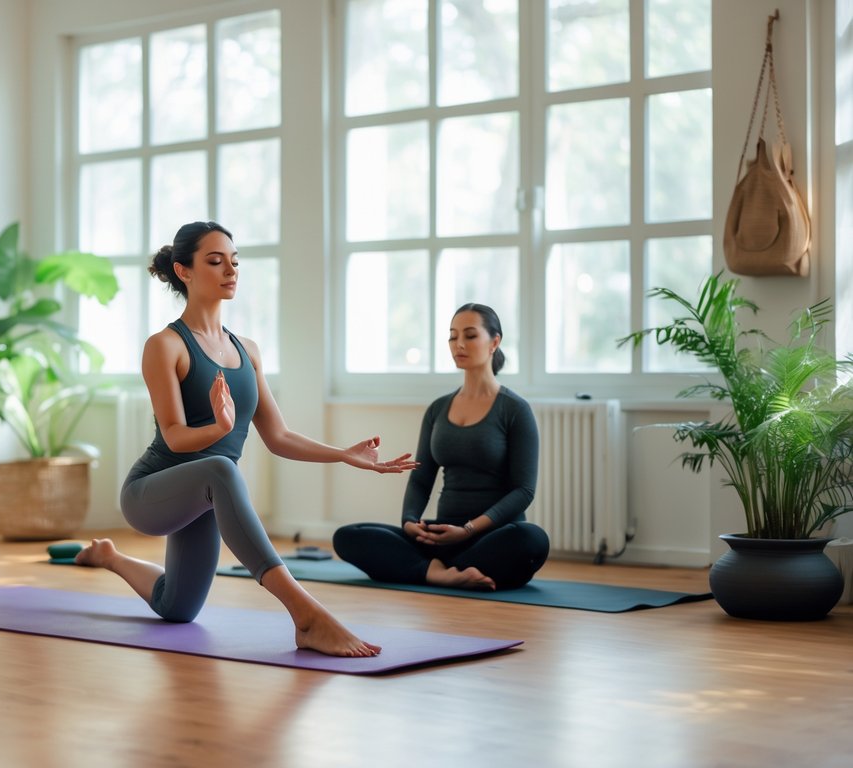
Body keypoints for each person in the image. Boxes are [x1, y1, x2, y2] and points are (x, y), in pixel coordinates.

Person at [74, 221, 417, 658]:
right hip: (152, 492)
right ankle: (306, 615)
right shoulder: (165, 346)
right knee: (222, 466)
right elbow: (177, 438)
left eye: (234, 262)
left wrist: (345, 455)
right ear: (184, 271)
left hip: (204, 497)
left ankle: (110, 557)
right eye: (215, 261)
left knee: (176, 608)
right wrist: (218, 428)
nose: (230, 270)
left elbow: (278, 436)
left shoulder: (247, 350)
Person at [332, 303, 549, 591]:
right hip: (440, 536)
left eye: (470, 335)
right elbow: (421, 478)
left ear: (494, 342)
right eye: (452, 336)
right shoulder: (438, 409)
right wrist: (410, 521)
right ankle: (441, 573)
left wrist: (468, 530)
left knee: (531, 539)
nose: (458, 344)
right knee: (348, 536)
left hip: (491, 537)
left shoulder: (515, 410)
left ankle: (425, 570)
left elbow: (524, 491)